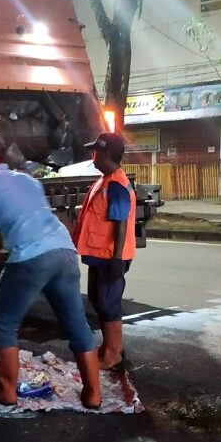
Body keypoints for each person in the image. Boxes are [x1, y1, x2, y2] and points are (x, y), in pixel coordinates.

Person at [0, 133, 101, 408]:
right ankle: (93, 393)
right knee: (76, 323)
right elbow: (19, 220)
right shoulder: (28, 181)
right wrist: (0, 244)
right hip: (64, 251)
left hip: (31, 257)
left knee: (2, 322)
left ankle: (5, 390)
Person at [72, 132, 136, 371]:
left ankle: (113, 354)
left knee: (108, 303)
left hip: (110, 257)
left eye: (96, 151)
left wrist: (117, 259)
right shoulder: (105, 180)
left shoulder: (117, 185)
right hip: (100, 256)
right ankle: (110, 347)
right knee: (99, 300)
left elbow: (120, 223)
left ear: (107, 154)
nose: (93, 155)